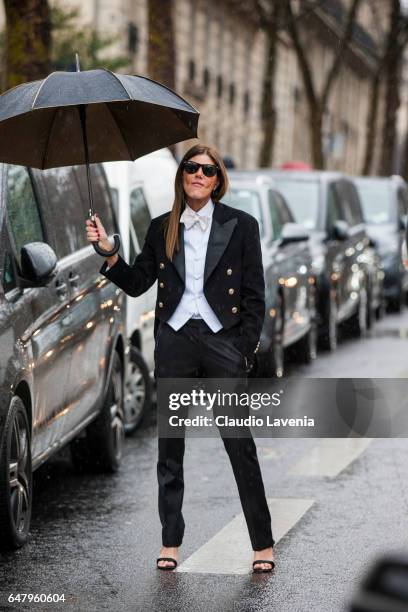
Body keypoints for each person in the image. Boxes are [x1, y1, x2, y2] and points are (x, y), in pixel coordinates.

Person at [85, 144, 275, 573]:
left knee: (239, 446)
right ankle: (170, 542)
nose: (198, 175)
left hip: (222, 341)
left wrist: (242, 348)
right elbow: (137, 283)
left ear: (217, 179)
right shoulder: (161, 227)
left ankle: (262, 544)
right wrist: (108, 251)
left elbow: (254, 297)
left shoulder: (241, 226)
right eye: (191, 167)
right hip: (175, 341)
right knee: (170, 448)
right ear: (182, 175)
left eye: (207, 170)